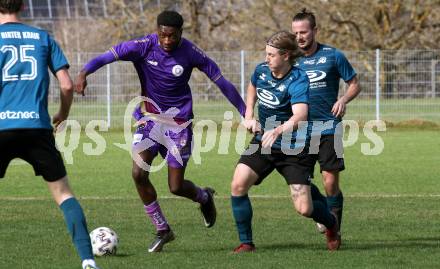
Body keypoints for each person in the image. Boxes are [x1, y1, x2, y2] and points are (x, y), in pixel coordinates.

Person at [75, 10, 246, 253]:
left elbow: (221, 82)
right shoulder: (143, 46)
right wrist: (83, 73)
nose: (167, 41)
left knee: (175, 186)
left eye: (172, 36)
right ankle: (163, 230)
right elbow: (107, 56)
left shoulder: (191, 52)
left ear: (180, 34)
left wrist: (245, 111)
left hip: (179, 125)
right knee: (138, 172)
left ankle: (204, 197)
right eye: (163, 35)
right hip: (150, 121)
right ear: (157, 31)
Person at [0, 1, 100, 269]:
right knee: (64, 194)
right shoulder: (43, 37)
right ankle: (88, 260)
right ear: (22, 5)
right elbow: (67, 85)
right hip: (37, 128)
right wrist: (63, 114)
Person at [230, 30, 341, 253]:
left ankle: (331, 223)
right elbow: (253, 87)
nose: (267, 58)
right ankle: (246, 242)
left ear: (286, 55)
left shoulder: (298, 79)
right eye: (266, 53)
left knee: (304, 209)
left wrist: (279, 130)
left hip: (296, 147)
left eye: (271, 55)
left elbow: (300, 115)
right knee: (238, 184)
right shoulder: (262, 70)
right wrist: (249, 114)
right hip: (264, 141)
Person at [292, 8, 361, 235]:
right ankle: (322, 211)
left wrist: (343, 99)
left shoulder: (333, 55)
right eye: (296, 33)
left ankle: (335, 231)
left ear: (315, 31)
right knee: (299, 183)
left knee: (330, 181)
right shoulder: (290, 59)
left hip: (329, 126)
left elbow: (354, 84)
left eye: (303, 32)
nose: (299, 37)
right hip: (300, 129)